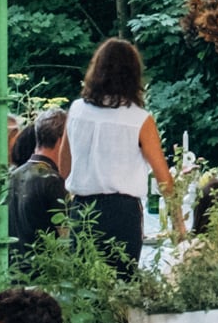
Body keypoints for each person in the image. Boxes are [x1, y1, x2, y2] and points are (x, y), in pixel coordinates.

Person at [62, 40, 178, 267]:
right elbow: (164, 180)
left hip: (82, 209)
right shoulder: (140, 119)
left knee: (85, 287)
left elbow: (64, 167)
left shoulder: (76, 110)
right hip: (122, 213)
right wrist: (180, 226)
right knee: (122, 287)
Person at [0, 110, 70, 259]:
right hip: (44, 274)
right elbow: (66, 238)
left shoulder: (12, 176)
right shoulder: (52, 180)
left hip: (13, 270)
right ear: (61, 140)